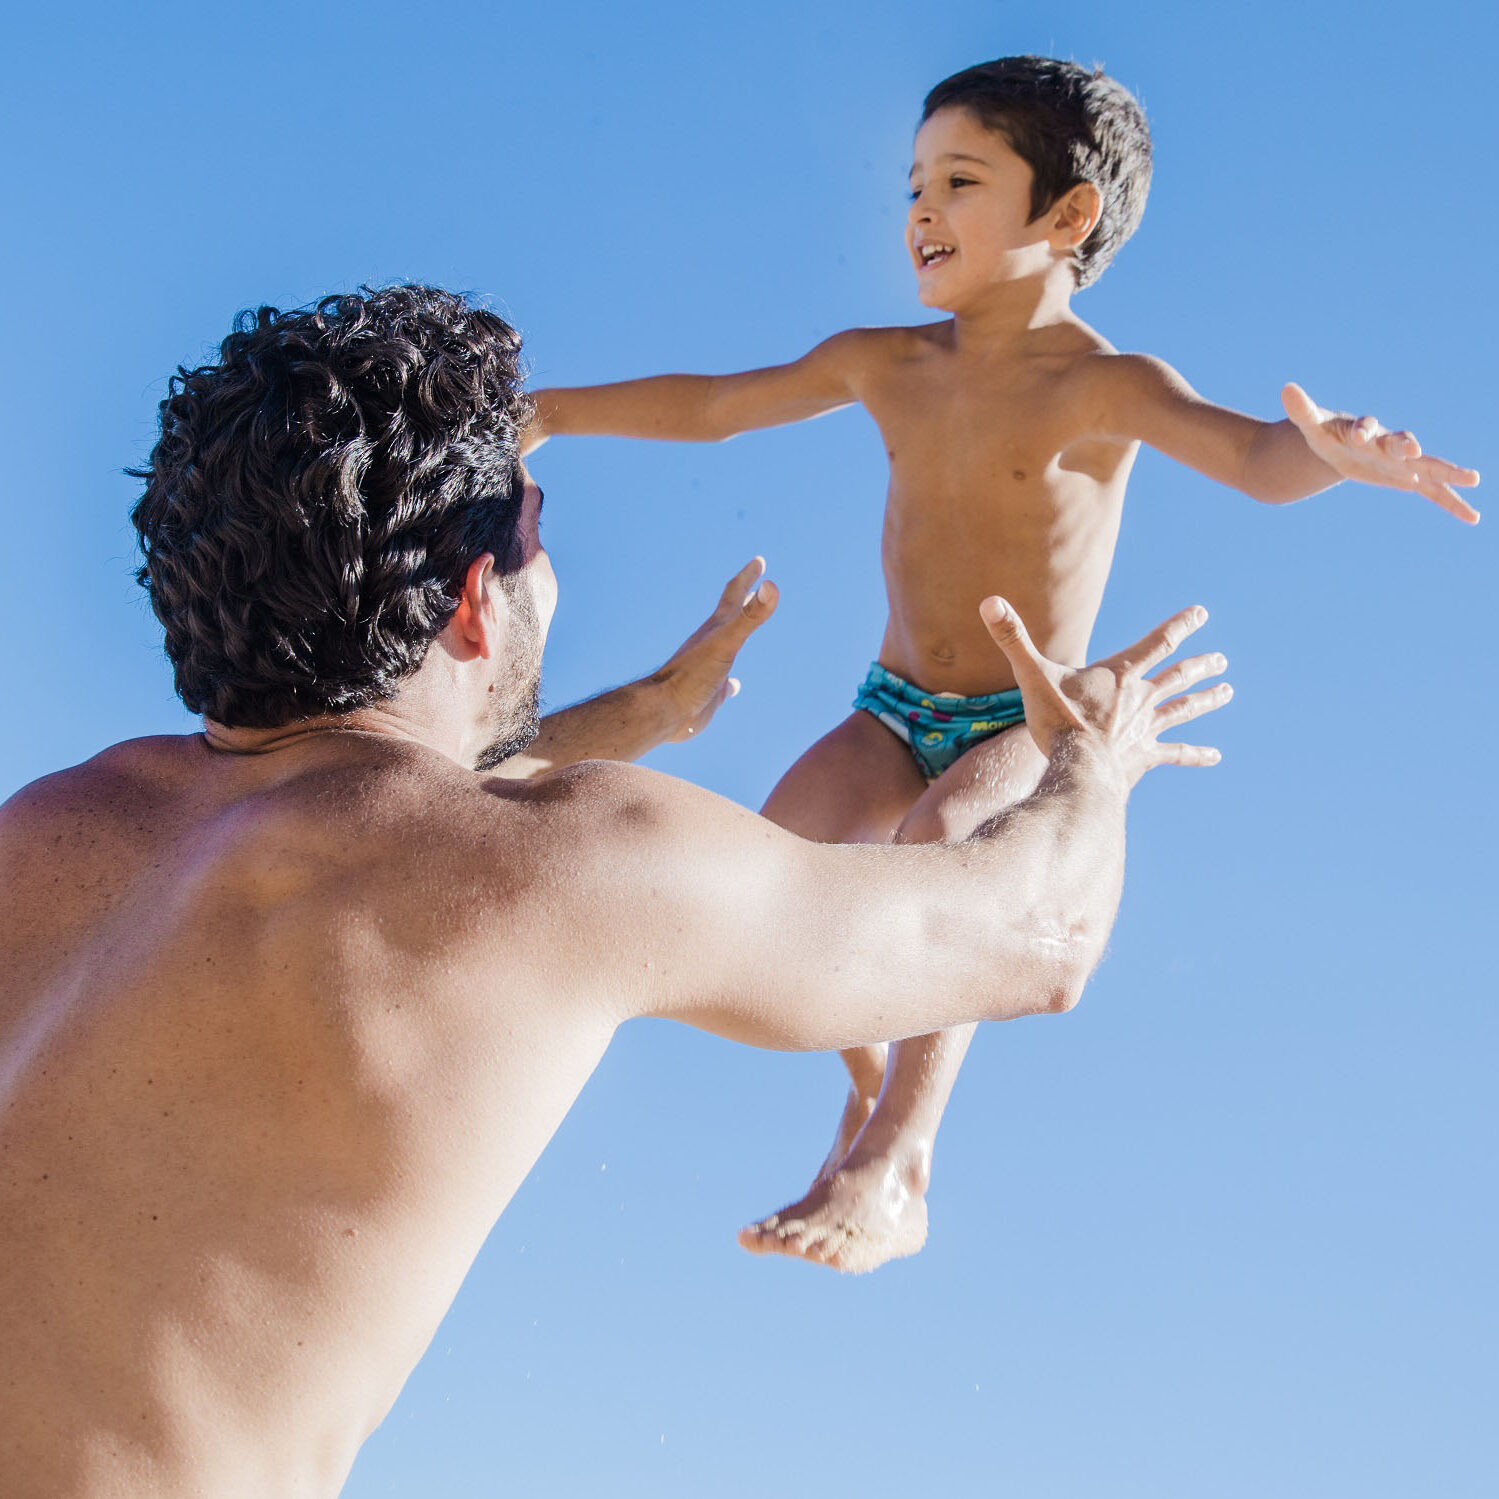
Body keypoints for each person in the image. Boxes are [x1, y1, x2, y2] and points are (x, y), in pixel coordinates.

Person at [0, 284, 1229, 1497]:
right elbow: (1036, 932)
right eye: (536, 537)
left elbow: (356, 805)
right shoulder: (570, 860)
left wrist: (640, 713)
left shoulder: (48, 828)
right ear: (477, 600)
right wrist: (1094, 759)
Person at [523, 54, 1481, 1272]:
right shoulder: (887, 361)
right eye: (913, 185)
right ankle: (863, 1095)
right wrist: (547, 409)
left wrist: (1338, 457)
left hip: (1020, 717)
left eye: (960, 181)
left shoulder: (1102, 382)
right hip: (886, 708)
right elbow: (718, 403)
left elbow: (1253, 460)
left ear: (1066, 214)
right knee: (769, 873)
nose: (919, 209)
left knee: (940, 853)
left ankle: (898, 1158)